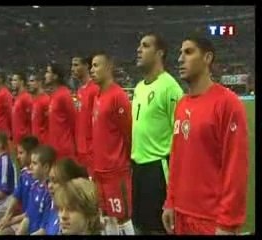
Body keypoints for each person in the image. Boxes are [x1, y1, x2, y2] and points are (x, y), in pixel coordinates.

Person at [162, 36, 249, 235]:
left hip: (211, 219)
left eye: (189, 52)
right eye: (180, 53)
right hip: (181, 216)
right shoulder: (182, 104)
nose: (180, 59)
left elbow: (235, 167)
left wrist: (227, 223)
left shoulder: (228, 103)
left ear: (207, 58)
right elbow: (177, 158)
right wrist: (170, 201)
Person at [131, 33, 184, 234]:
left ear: (159, 53)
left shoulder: (169, 87)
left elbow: (180, 137)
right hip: (138, 168)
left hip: (158, 169)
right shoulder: (138, 88)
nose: (138, 49)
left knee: (159, 228)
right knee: (140, 225)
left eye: (145, 46)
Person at [90, 52, 134, 235]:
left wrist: (123, 162)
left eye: (96, 65)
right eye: (91, 66)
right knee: (106, 216)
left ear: (109, 67)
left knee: (122, 217)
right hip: (99, 170)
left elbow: (129, 133)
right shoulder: (98, 96)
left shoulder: (118, 96)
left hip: (116, 172)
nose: (92, 70)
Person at [31, 158, 89, 235]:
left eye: (55, 181)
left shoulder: (79, 213)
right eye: (49, 181)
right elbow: (44, 230)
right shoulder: (52, 205)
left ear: (69, 183)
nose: (49, 186)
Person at [0, 135, 39, 235]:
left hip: (33, 222)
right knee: (1, 231)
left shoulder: (38, 180)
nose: (18, 156)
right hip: (24, 218)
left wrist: (12, 220)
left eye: (21, 153)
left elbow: (33, 211)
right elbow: (15, 197)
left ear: (31, 154)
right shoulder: (24, 174)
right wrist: (6, 216)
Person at [16, 145, 57, 235]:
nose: (30, 166)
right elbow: (28, 216)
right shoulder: (34, 186)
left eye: (34, 163)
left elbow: (44, 230)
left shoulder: (51, 195)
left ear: (46, 167)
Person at [71, 55, 99, 175]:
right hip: (80, 149)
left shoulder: (94, 89)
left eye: (76, 65)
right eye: (72, 65)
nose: (72, 68)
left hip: (91, 150)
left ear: (86, 66)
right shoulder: (80, 90)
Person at [45, 63, 76, 159]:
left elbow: (73, 120)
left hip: (63, 149)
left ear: (55, 76)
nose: (45, 75)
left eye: (48, 72)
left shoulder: (64, 94)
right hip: (54, 148)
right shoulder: (54, 95)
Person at [11, 72, 33, 148]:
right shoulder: (17, 98)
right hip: (16, 140)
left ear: (22, 82)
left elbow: (31, 119)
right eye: (12, 80)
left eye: (15, 80)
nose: (12, 82)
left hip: (24, 141)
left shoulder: (26, 97)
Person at [29, 73, 50, 145]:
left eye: (32, 81)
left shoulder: (46, 100)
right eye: (29, 81)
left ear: (39, 82)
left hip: (43, 144)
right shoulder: (34, 100)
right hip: (35, 143)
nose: (29, 83)